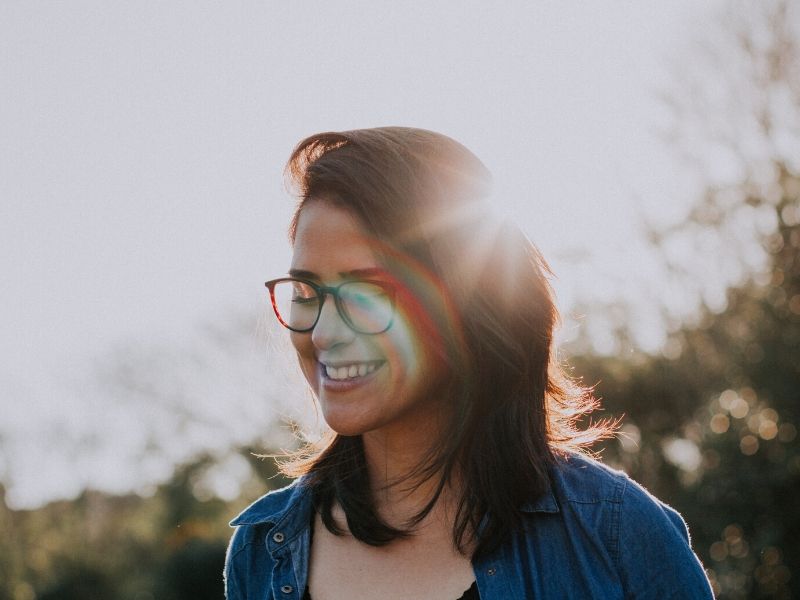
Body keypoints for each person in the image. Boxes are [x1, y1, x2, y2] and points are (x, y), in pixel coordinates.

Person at [224, 127, 714, 599]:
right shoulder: (262, 553)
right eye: (307, 291)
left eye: (367, 292)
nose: (324, 331)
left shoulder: (617, 534)